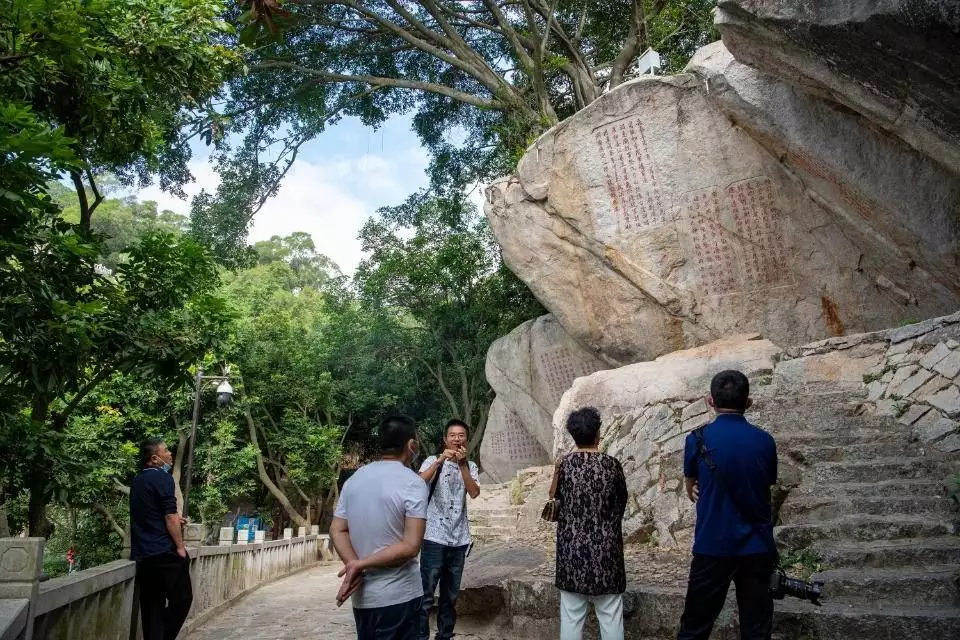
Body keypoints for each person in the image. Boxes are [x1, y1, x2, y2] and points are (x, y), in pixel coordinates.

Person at [677, 370, 778, 640]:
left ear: (710, 401)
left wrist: (695, 486)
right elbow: (766, 484)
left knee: (695, 628)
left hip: (712, 545)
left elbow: (691, 485)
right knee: (756, 629)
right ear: (748, 402)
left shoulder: (696, 440)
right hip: (756, 546)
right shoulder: (766, 441)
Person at [330, 415, 428, 640]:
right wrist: (360, 564)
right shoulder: (413, 483)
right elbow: (411, 546)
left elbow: (337, 529)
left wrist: (354, 565)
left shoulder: (354, 480)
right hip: (400, 597)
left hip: (363, 599)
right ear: (411, 445)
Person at [552, 407, 627, 640]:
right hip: (607, 552)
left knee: (571, 617)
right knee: (610, 615)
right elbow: (620, 503)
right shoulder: (612, 465)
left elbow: (555, 498)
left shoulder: (564, 465)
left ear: (573, 435)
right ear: (598, 433)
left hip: (571, 552)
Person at [417, 419, 481, 640]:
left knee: (450, 597)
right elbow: (418, 482)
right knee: (425, 595)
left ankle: (445, 636)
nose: (457, 439)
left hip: (459, 539)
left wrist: (462, 465)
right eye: (452, 435)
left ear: (467, 440)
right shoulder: (432, 460)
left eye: (461, 435)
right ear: (445, 439)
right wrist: (440, 461)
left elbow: (473, 492)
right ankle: (420, 636)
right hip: (433, 537)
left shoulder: (471, 466)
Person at [130, 437, 193, 640]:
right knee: (183, 599)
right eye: (166, 451)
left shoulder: (138, 481)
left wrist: (176, 519)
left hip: (142, 554)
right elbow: (168, 515)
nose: (170, 454)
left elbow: (148, 513)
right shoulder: (164, 479)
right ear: (155, 459)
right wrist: (181, 548)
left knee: (152, 608)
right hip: (163, 552)